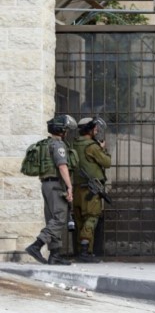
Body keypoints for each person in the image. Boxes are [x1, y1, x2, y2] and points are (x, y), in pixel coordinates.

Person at [25, 114, 78, 265]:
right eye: (66, 130)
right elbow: (62, 166)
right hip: (56, 185)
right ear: (62, 130)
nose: (67, 132)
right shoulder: (58, 145)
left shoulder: (45, 144)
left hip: (46, 184)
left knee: (52, 219)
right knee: (60, 218)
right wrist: (69, 186)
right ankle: (36, 245)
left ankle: (54, 255)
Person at [71, 117, 111, 263]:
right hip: (90, 190)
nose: (97, 131)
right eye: (95, 129)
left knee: (80, 219)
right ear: (89, 130)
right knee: (91, 217)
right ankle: (84, 250)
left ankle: (84, 252)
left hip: (77, 188)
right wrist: (103, 149)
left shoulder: (73, 144)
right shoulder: (92, 147)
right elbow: (107, 163)